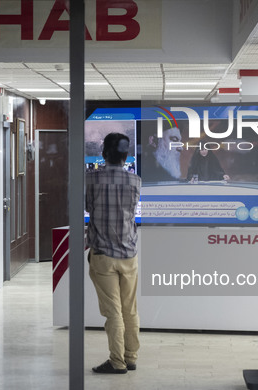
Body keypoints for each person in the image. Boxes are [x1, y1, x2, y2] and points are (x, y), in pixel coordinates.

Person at [86, 132, 142, 374]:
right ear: (126, 155)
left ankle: (117, 362)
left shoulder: (91, 179)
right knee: (130, 309)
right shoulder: (135, 181)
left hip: (103, 255)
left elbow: (88, 207)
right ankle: (130, 357)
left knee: (113, 312)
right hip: (129, 254)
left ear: (103, 154)